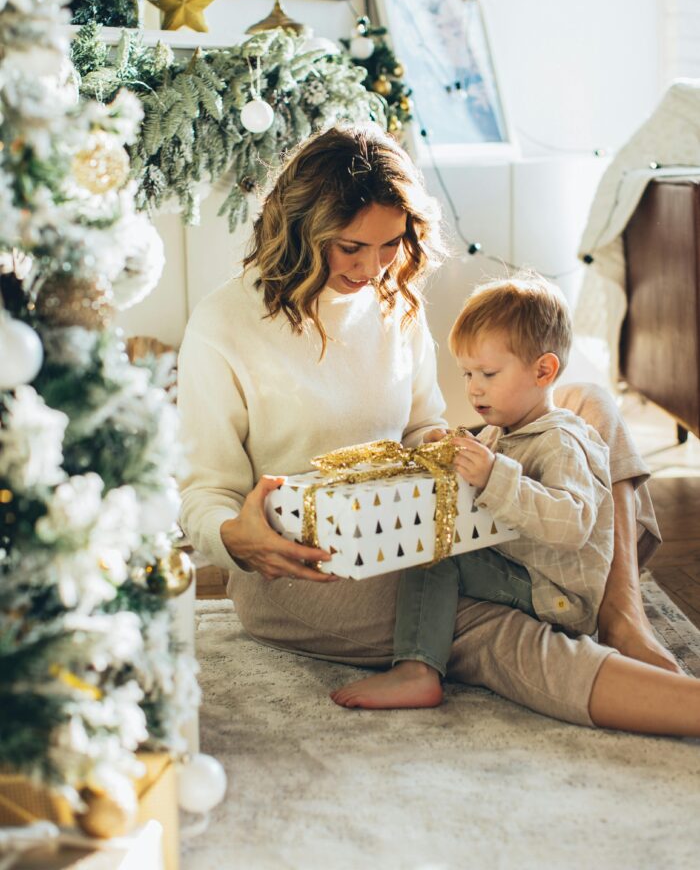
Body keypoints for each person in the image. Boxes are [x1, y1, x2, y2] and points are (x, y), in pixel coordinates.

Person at [178, 122, 698, 738]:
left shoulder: (394, 301)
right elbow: (202, 496)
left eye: (390, 244)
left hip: (411, 522)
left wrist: (453, 449)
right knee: (482, 624)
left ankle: (620, 614)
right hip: (308, 570)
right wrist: (238, 540)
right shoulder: (224, 325)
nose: (373, 267)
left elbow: (421, 425)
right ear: (299, 230)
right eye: (351, 248)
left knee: (584, 406)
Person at [331, 274, 614, 709]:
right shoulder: (506, 429)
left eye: (488, 373)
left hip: (554, 592)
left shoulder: (560, 441)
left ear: (544, 370)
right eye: (467, 373)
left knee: (437, 553)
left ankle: (417, 670)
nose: (474, 387)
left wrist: (494, 475)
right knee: (432, 542)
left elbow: (573, 524)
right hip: (520, 567)